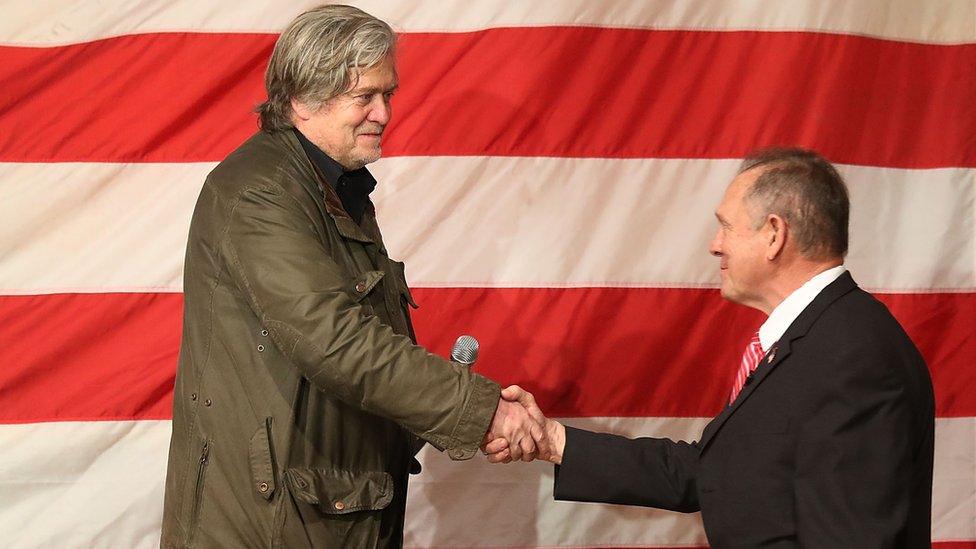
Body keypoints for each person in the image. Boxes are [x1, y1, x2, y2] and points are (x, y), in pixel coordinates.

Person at [160, 5, 545, 548]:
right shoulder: (262, 192)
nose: (383, 113)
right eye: (364, 96)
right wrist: (481, 412)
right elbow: (336, 342)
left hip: (322, 506)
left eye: (388, 94)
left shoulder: (332, 185)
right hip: (272, 523)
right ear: (300, 99)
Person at [485, 148, 935, 547]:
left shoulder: (853, 357)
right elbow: (710, 471)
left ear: (774, 234)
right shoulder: (813, 336)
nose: (714, 245)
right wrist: (553, 441)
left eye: (726, 227)